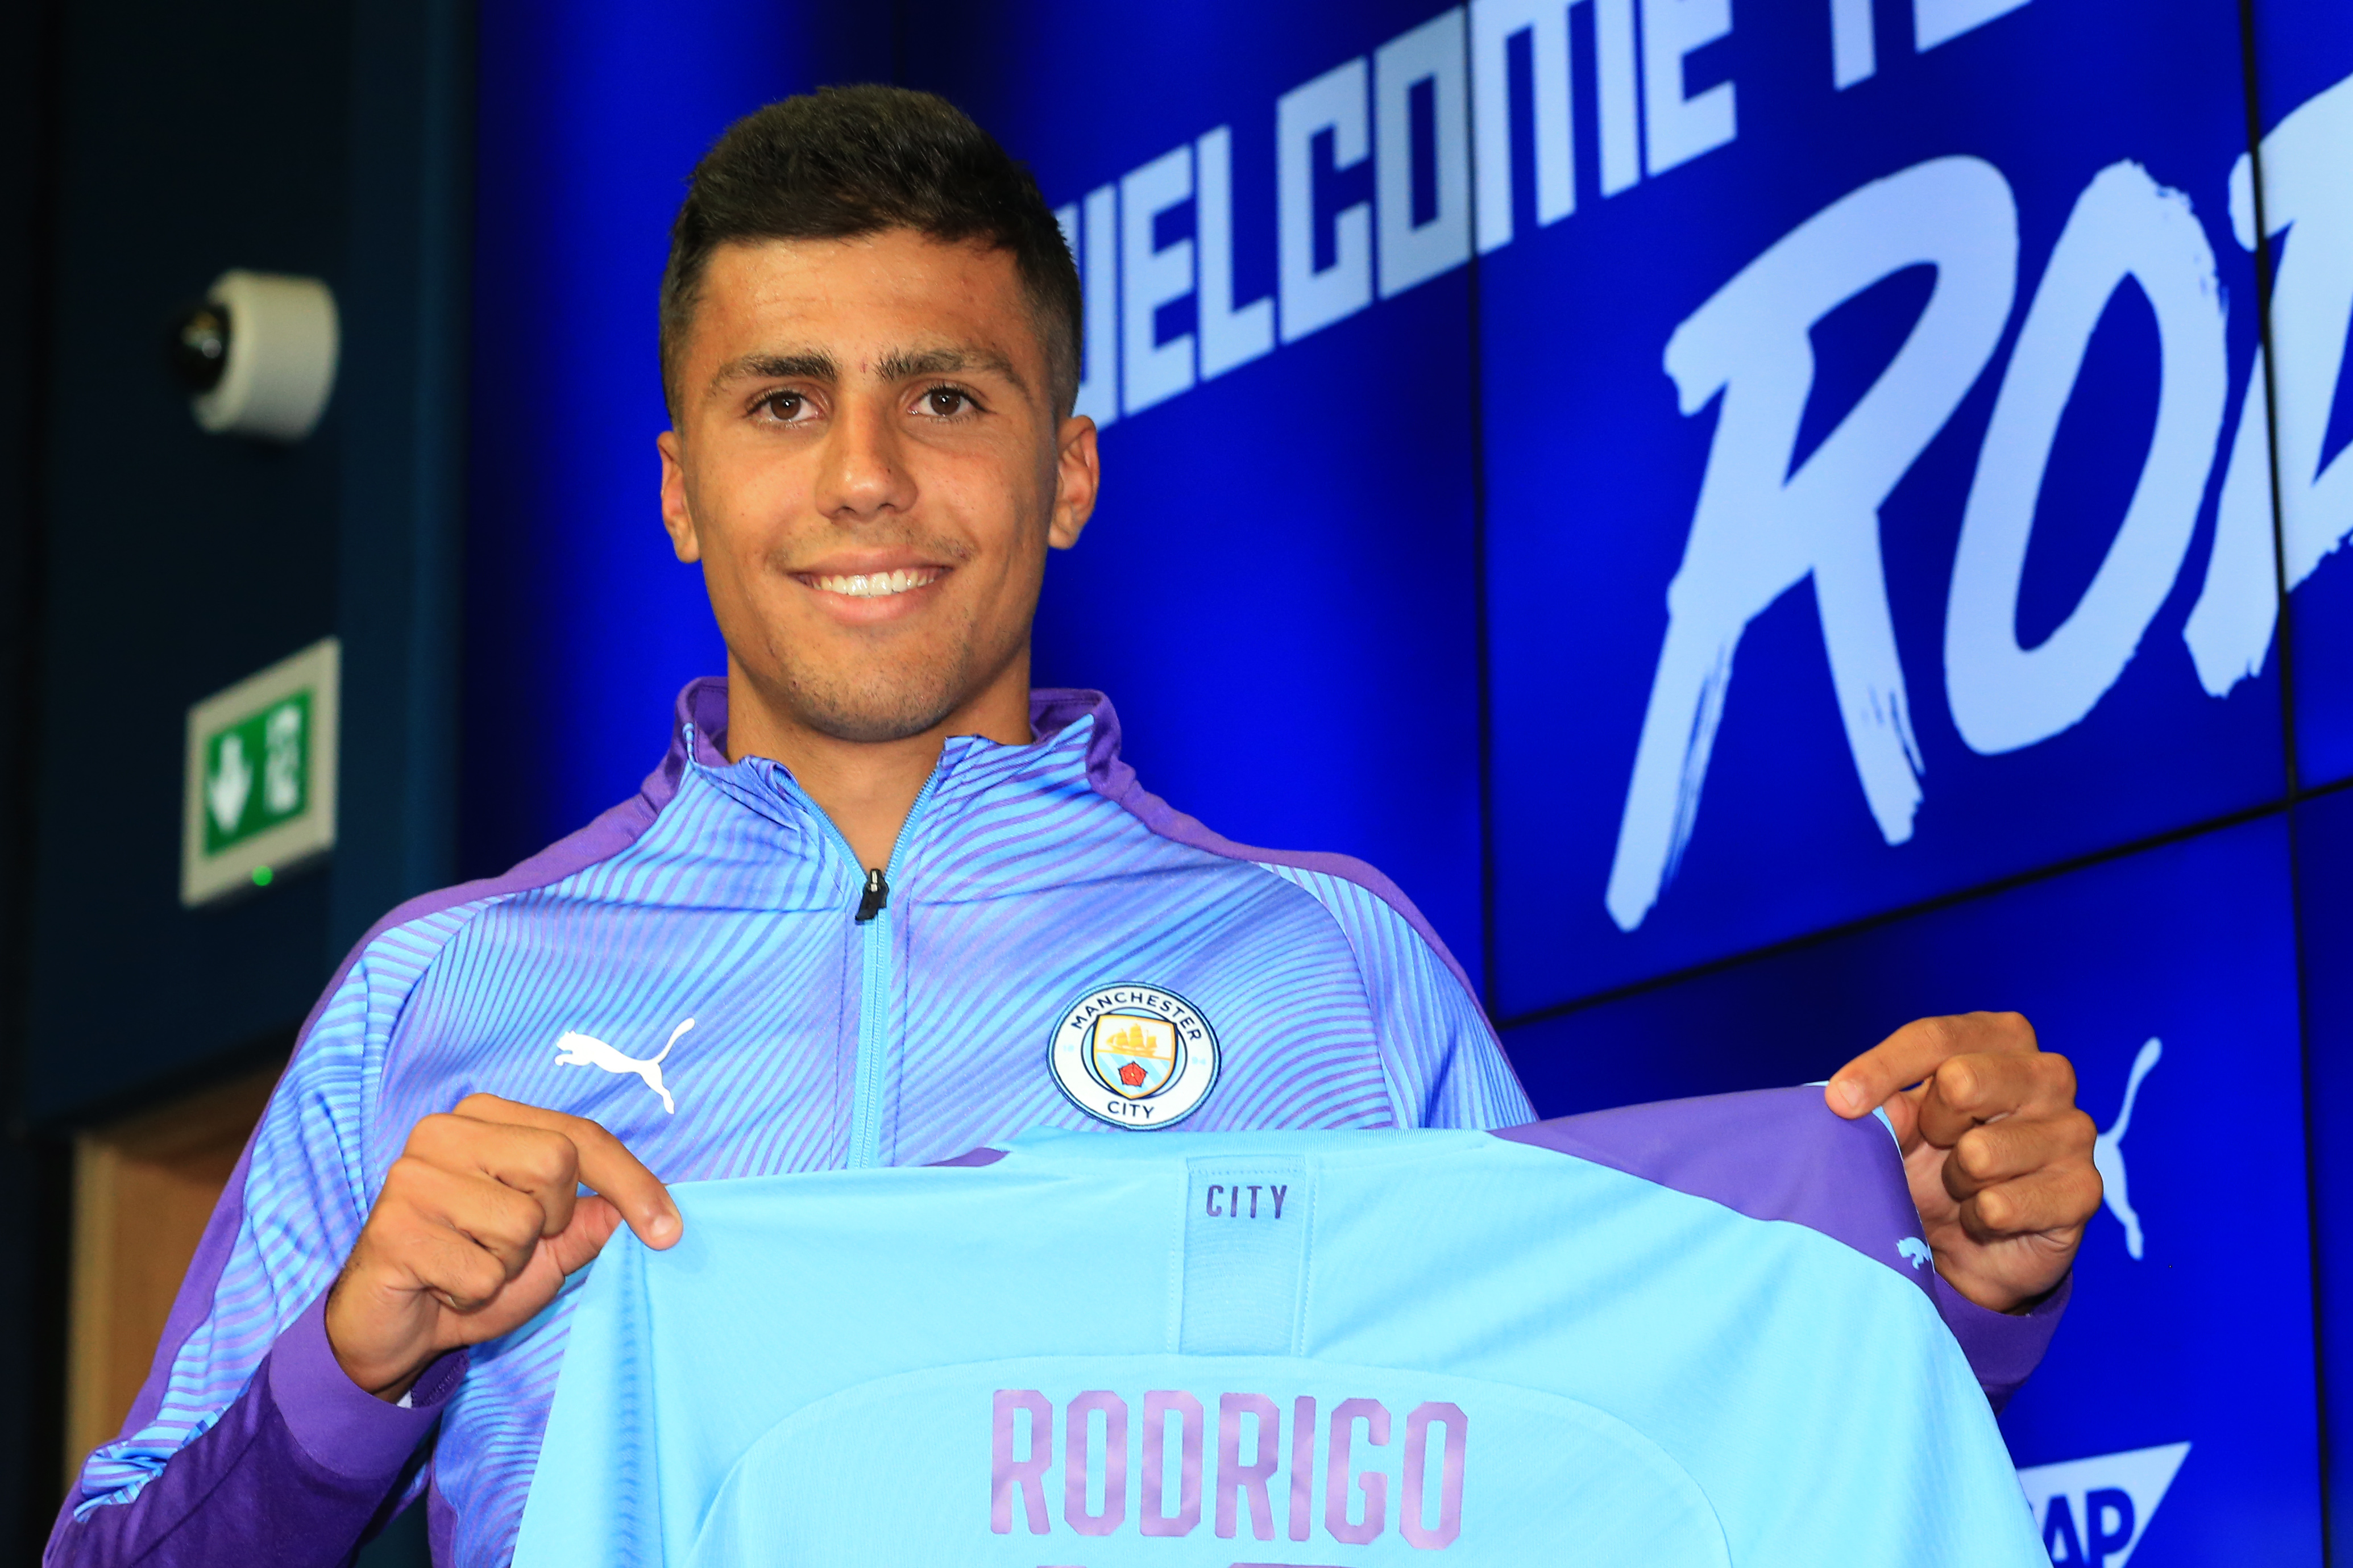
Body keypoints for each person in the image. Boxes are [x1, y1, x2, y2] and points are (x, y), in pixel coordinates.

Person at [47, 86, 2099, 1568]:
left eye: (943, 398)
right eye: (781, 403)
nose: (862, 478)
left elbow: (1584, 1441)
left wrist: (1950, 1281)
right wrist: (354, 1360)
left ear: (1068, 474)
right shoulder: (438, 991)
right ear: (679, 490)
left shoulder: (1325, 962)